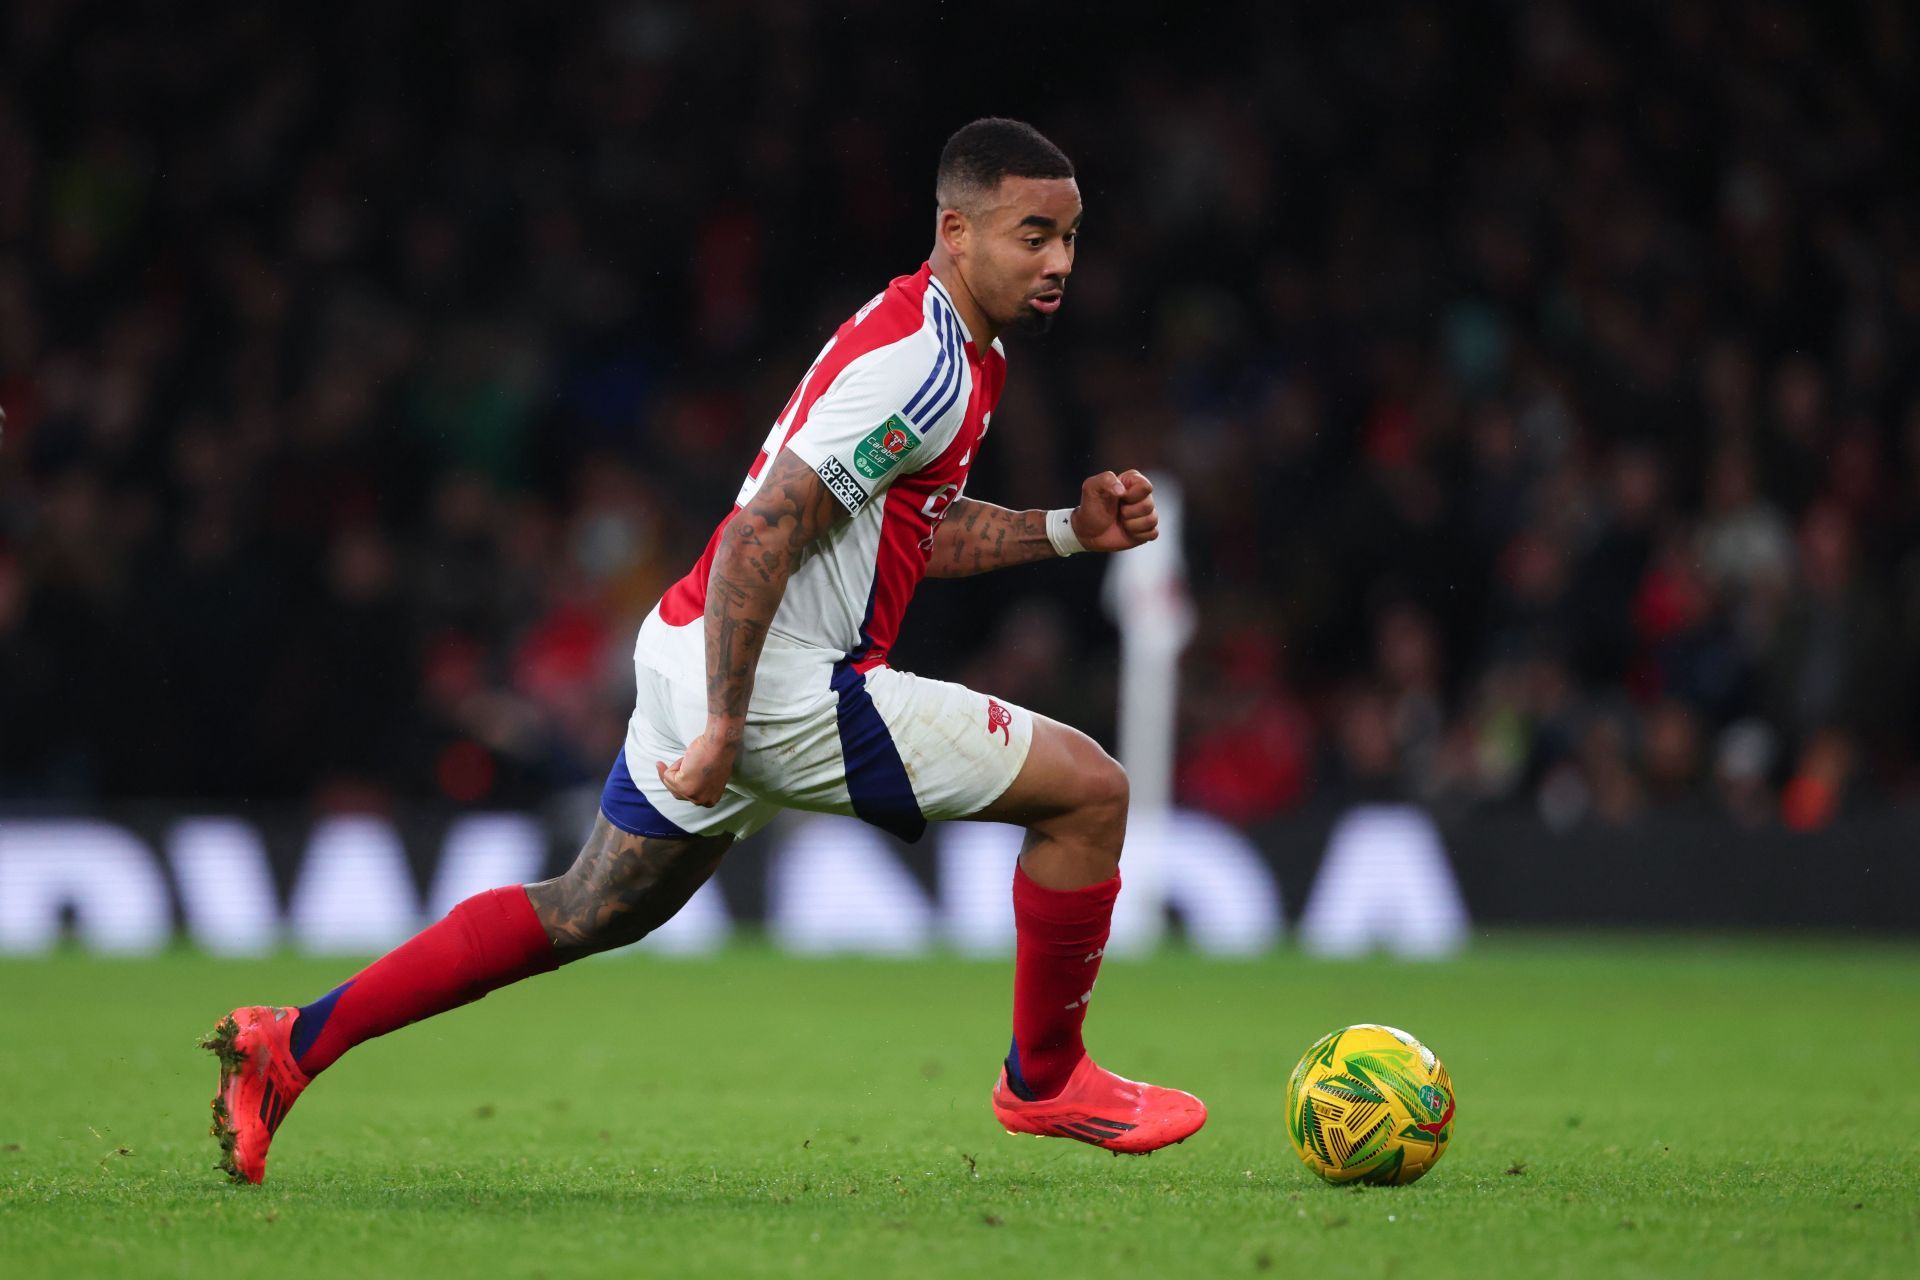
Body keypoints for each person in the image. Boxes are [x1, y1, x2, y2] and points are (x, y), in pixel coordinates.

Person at [203, 117, 1205, 1184]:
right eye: (1032, 234)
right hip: (776, 682)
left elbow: (900, 533)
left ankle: (288, 1044)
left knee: (586, 908)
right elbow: (764, 530)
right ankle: (1046, 1078)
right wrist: (731, 721)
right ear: (956, 231)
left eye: (1070, 236)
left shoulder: (952, 346)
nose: (1057, 261)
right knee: (1089, 792)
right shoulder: (924, 364)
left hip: (691, 647)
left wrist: (1065, 529)